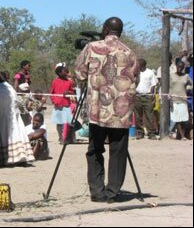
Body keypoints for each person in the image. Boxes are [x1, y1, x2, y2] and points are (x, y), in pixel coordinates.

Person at [74, 16, 139, 203]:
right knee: (118, 151)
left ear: (104, 29)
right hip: (121, 113)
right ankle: (112, 192)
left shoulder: (92, 48)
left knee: (95, 149)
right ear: (121, 32)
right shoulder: (130, 52)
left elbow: (79, 73)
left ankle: (97, 191)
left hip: (97, 110)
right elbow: (136, 80)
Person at [0, 72, 35, 167]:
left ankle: (8, 158)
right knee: (17, 134)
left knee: (5, 135)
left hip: (3, 118)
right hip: (14, 116)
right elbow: (17, 103)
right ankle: (20, 157)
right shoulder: (9, 87)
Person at [134, 58, 158, 139]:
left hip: (147, 96)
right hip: (137, 96)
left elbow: (153, 85)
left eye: (139, 65)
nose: (138, 66)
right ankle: (140, 132)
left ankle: (151, 133)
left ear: (143, 65)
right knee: (138, 116)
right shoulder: (136, 72)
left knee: (149, 115)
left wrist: (152, 97)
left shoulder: (150, 72)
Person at [50, 65, 75, 144]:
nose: (66, 72)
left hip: (67, 105)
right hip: (58, 106)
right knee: (59, 122)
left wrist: (68, 92)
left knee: (68, 122)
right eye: (65, 71)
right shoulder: (55, 82)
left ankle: (68, 138)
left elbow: (72, 92)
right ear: (60, 73)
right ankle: (61, 138)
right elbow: (51, 93)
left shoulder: (68, 82)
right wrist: (54, 101)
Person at [169, 61, 192, 140]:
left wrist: (188, 88)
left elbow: (191, 84)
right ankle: (182, 136)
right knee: (177, 119)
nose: (180, 68)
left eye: (181, 67)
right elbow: (169, 88)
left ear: (183, 68)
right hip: (174, 100)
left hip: (183, 99)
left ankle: (179, 135)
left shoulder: (186, 76)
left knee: (184, 119)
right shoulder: (171, 76)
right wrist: (170, 99)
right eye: (179, 66)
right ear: (176, 66)